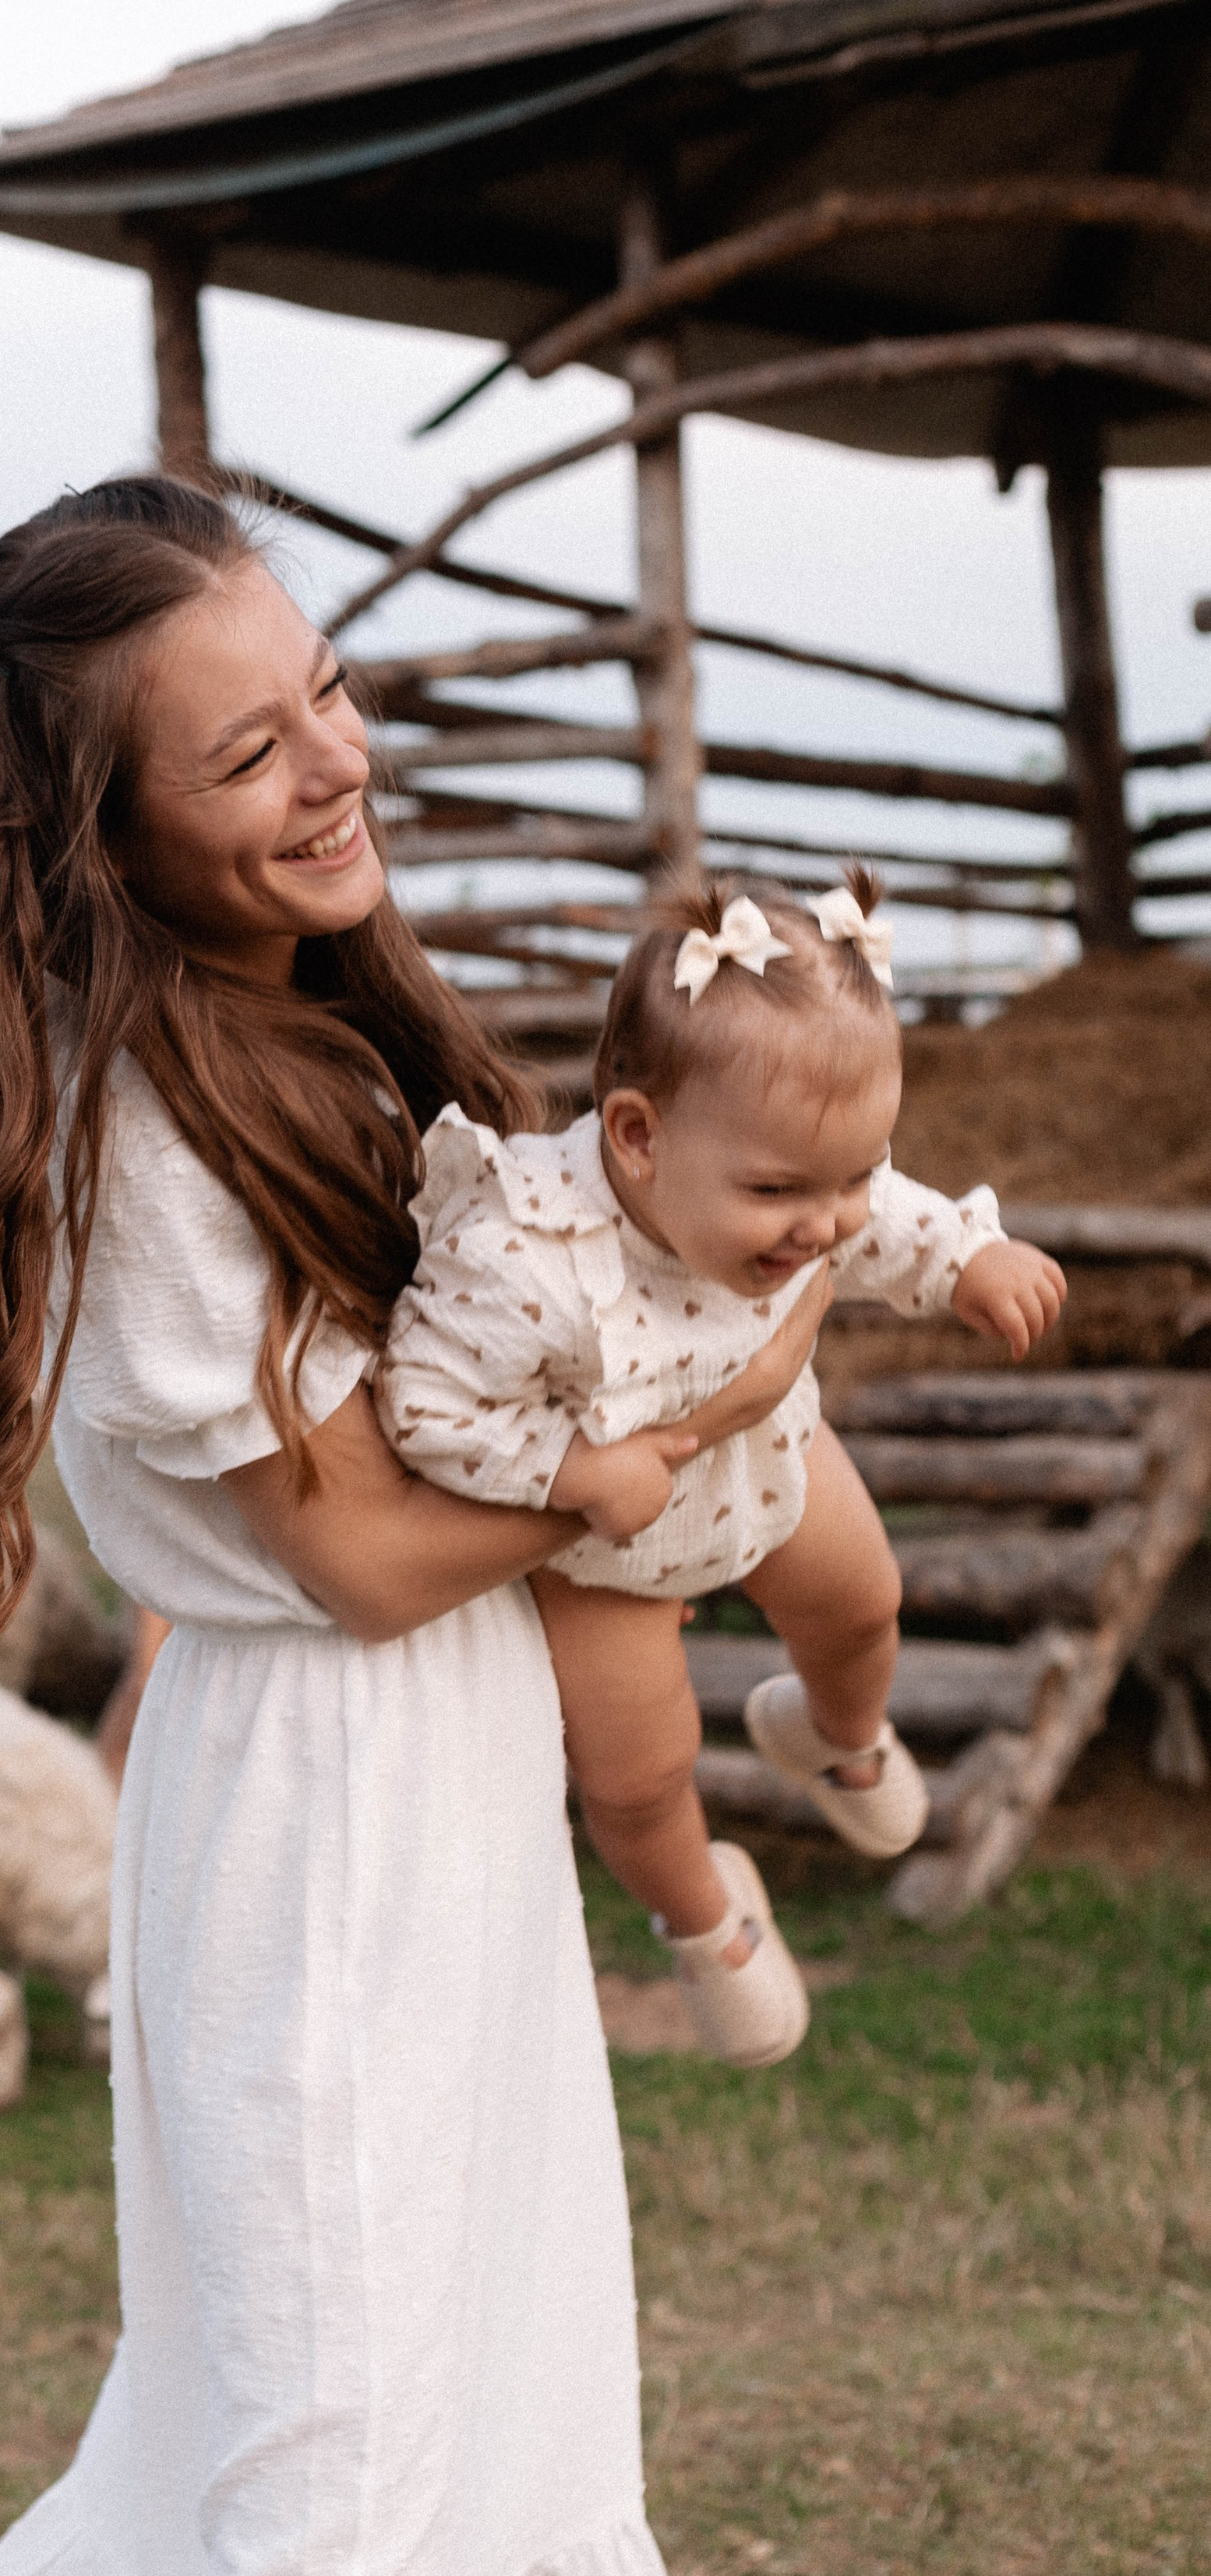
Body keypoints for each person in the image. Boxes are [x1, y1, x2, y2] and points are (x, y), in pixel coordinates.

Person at [0, 476, 828, 2576]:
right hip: (325, 1827)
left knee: (445, 2487)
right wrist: (697, 1422)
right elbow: (370, 1554)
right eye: (247, 751)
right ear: (106, 833)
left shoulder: (306, 1027)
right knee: (331, 2536)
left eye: (329, 697)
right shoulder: (146, 1123)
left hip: (436, 1803)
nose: (334, 765)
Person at [374, 878, 1066, 2064]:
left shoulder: (804, 1186)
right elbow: (423, 1404)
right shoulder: (526, 1257)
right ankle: (707, 1922)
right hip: (602, 1544)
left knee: (866, 1603)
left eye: (851, 1176)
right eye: (780, 1191)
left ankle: (835, 1734)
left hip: (763, 1451)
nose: (824, 1224)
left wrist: (966, 1256)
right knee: (636, 1776)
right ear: (638, 1137)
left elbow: (881, 1214)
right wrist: (571, 1471)